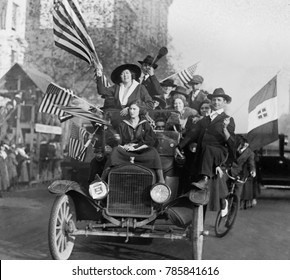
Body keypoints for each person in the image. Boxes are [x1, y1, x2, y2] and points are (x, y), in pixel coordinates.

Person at [176, 88, 235, 216]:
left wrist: (225, 128)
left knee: (208, 150)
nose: (216, 102)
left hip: (219, 152)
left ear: (224, 102)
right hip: (203, 155)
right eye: (214, 100)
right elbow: (192, 134)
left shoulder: (228, 119)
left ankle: (205, 178)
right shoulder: (204, 120)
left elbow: (231, 142)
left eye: (219, 100)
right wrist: (179, 146)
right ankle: (196, 223)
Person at [105, 100, 165, 183]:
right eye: (130, 109)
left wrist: (135, 148)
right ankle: (103, 179)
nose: (132, 111)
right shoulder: (123, 124)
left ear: (139, 110)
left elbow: (149, 141)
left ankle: (161, 180)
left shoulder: (145, 124)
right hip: (126, 151)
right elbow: (120, 143)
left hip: (141, 151)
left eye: (134, 109)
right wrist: (120, 142)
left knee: (153, 152)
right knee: (115, 151)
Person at [230, 135, 256, 208]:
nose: (245, 144)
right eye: (244, 142)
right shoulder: (233, 147)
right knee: (224, 192)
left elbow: (251, 163)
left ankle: (232, 215)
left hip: (239, 175)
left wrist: (252, 171)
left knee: (237, 196)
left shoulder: (250, 153)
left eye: (247, 143)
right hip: (229, 172)